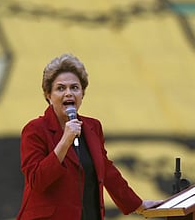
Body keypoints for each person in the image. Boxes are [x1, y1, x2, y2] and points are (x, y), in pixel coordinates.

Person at [16, 53, 163, 220]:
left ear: (82, 94)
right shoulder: (35, 130)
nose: (68, 93)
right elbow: (37, 181)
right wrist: (65, 141)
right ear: (48, 95)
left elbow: (107, 171)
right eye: (60, 88)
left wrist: (138, 205)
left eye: (75, 87)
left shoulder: (93, 127)